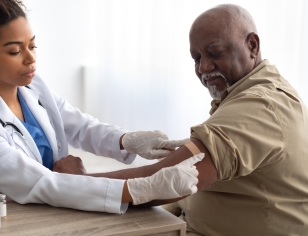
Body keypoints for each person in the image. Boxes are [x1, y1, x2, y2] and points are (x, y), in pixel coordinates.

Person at [55, 4, 308, 235]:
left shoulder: (260, 106)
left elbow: (160, 180)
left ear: (252, 45)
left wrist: (77, 182)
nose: (203, 68)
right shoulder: (251, 91)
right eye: (196, 58)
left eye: (215, 52)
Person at [0, 0, 202, 214]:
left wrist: (127, 140)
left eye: (32, 45)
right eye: (15, 51)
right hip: (6, 219)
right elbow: (41, 183)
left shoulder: (33, 88)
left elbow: (80, 126)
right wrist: (138, 188)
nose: (31, 59)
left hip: (52, 209)